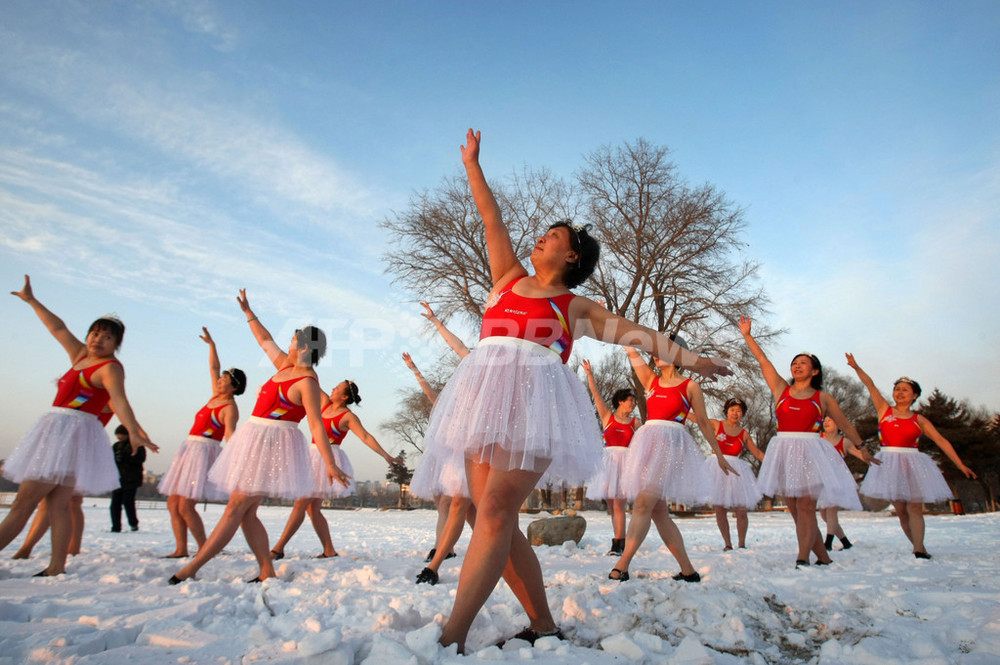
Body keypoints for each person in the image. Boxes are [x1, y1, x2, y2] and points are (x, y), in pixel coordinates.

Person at [428, 129, 731, 653]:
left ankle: (450, 638)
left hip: (539, 411)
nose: (542, 237)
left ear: (571, 258)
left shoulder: (575, 308)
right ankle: (543, 624)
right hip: (483, 406)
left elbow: (643, 334)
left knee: (497, 511)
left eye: (553, 235)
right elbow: (490, 218)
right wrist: (474, 165)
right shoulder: (507, 278)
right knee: (487, 515)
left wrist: (697, 361)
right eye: (544, 232)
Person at [168, 291, 349, 584]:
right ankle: (266, 569)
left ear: (304, 346)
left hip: (271, 446)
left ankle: (193, 567)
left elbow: (316, 425)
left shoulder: (307, 382)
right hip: (254, 441)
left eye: (293, 339)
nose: (287, 344)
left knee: (236, 508)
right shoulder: (285, 367)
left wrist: (329, 463)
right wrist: (249, 312)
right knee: (247, 512)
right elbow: (264, 340)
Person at [1, 275, 157, 576]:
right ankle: (56, 565)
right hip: (68, 435)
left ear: (116, 345)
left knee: (24, 502)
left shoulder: (109, 367)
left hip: (68, 433)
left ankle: (53, 562)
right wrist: (33, 301)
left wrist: (135, 433)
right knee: (58, 505)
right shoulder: (80, 355)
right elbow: (57, 328)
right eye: (94, 333)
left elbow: (119, 401)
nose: (97, 339)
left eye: (106, 337)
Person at [738, 316, 876, 567]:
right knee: (795, 508)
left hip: (811, 450)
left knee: (806, 506)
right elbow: (763, 361)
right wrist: (748, 335)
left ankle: (802, 557)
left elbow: (845, 424)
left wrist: (862, 447)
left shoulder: (823, 398)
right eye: (794, 363)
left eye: (803, 363)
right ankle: (823, 556)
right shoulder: (781, 389)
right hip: (784, 450)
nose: (797, 366)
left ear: (815, 371)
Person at [609, 344, 737, 582]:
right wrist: (624, 334)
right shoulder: (651, 380)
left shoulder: (690, 386)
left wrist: (719, 454)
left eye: (665, 350)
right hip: (647, 447)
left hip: (670, 446)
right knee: (659, 512)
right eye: (655, 349)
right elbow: (631, 348)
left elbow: (703, 422)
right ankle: (688, 571)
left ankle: (622, 565)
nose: (657, 354)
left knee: (642, 504)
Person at [846, 354, 976, 559]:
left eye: (905, 390)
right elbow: (870, 385)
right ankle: (918, 544)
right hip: (889, 462)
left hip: (913, 462)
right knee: (901, 509)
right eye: (897, 389)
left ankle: (919, 549)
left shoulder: (919, 419)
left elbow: (941, 440)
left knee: (914, 506)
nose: (900, 392)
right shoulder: (884, 410)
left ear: (914, 395)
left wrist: (960, 464)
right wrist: (856, 367)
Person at [270, 380, 402, 559]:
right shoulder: (324, 403)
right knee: (312, 509)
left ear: (345, 396)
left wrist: (386, 456)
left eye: (337, 388)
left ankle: (278, 549)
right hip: (312, 455)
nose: (332, 388)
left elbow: (365, 436)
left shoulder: (348, 417)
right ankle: (329, 550)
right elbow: (311, 382)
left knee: (302, 503)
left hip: (327, 460)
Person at [158, 328, 244, 558]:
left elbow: (230, 436)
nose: (219, 381)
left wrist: (235, 461)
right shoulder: (214, 397)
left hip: (203, 453)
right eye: (220, 379)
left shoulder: (229, 407)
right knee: (173, 504)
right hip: (189, 449)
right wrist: (212, 345)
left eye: (225, 380)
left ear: (234, 387)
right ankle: (181, 549)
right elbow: (213, 367)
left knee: (186, 506)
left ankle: (206, 547)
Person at [406, 302, 475, 586]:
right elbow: (456, 345)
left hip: (478, 453)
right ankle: (441, 552)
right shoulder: (463, 383)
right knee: (458, 507)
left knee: (465, 508)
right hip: (456, 457)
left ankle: (437, 561)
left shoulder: (498, 381)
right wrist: (435, 321)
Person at [581, 359, 638, 556]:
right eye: (630, 400)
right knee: (612, 506)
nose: (633, 403)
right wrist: (590, 375)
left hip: (626, 463)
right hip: (608, 463)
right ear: (621, 401)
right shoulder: (608, 417)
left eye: (634, 401)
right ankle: (618, 539)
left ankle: (618, 543)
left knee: (620, 504)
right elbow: (596, 396)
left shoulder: (635, 423)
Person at [706, 398, 765, 551]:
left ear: (743, 414)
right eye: (732, 410)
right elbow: (696, 418)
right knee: (720, 508)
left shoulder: (744, 434)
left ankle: (742, 543)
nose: (735, 413)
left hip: (736, 471)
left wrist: (774, 462)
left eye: (739, 411)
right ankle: (727, 543)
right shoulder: (716, 424)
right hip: (717, 466)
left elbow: (757, 452)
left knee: (741, 509)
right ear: (727, 411)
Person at [819, 416, 853, 551]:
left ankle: (827, 543)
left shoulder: (845, 442)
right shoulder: (818, 438)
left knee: (832, 510)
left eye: (830, 420)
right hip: (821, 478)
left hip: (838, 479)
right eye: (825, 420)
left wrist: (869, 459)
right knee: (824, 515)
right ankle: (846, 542)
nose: (826, 422)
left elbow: (859, 453)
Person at [110, 425, 146, 532]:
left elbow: (141, 459)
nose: (119, 437)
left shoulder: (137, 444)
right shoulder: (116, 446)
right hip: (118, 479)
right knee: (115, 504)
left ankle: (133, 524)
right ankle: (116, 527)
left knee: (128, 502)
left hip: (131, 479)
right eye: (117, 435)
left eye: (121, 435)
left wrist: (126, 457)